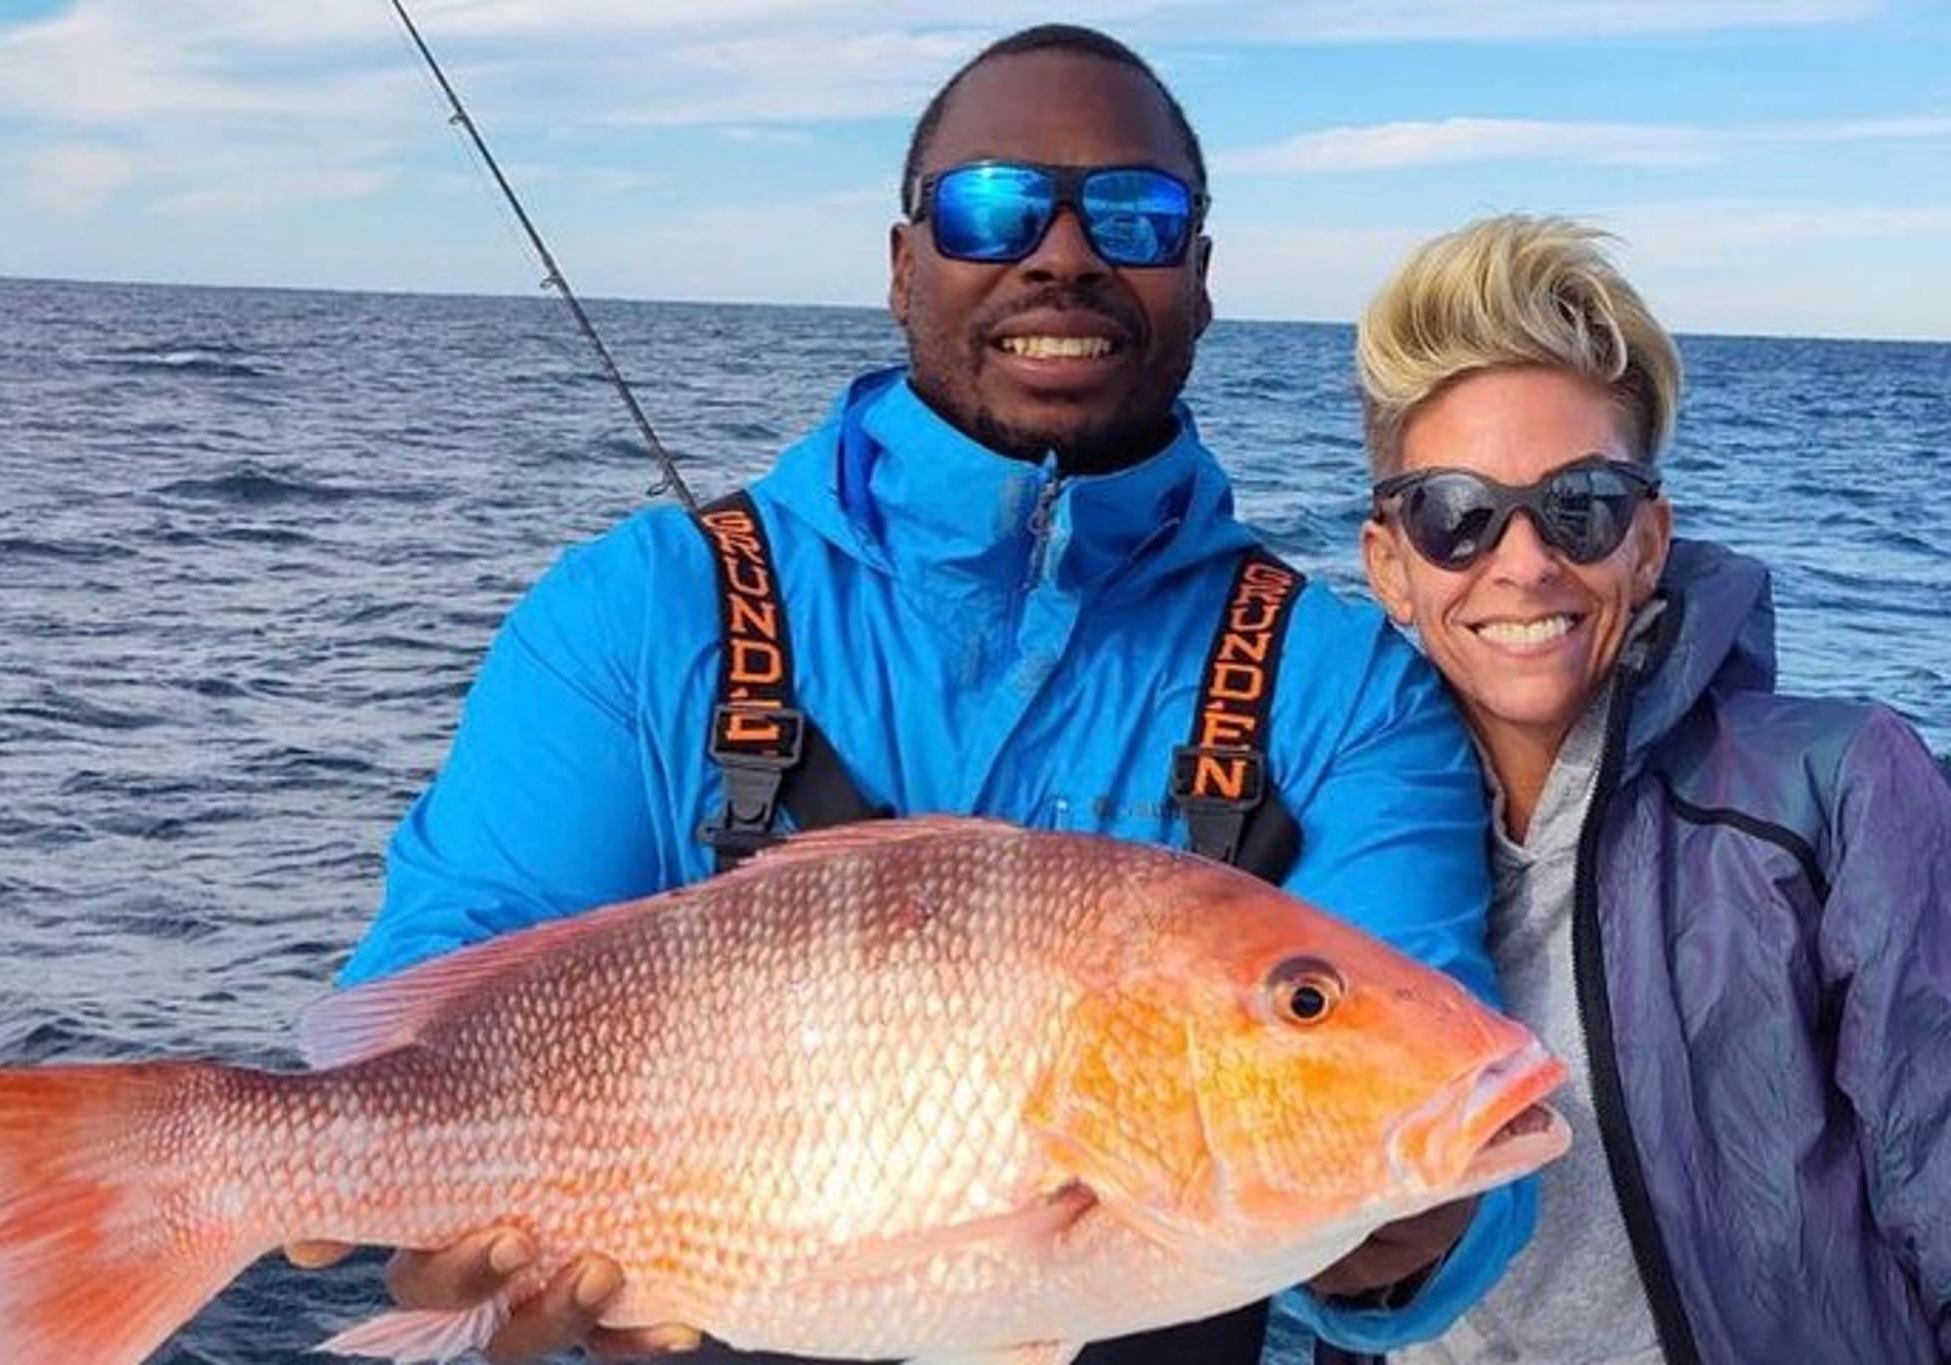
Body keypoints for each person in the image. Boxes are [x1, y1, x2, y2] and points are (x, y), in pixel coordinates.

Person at [293, 27, 1539, 1363]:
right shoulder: (637, 611)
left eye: (1134, 215)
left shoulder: (1342, 689)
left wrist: (1413, 1229)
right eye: (990, 208)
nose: (1062, 254)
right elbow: (442, 979)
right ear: (902, 265)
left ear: (1199, 278)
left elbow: (1430, 1054)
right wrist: (411, 1195)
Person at [1354, 214, 1951, 1363]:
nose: (1523, 563)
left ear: (1646, 539)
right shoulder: (1329, 832)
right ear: (1388, 561)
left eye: (1578, 505)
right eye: (1453, 514)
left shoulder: (1835, 794)